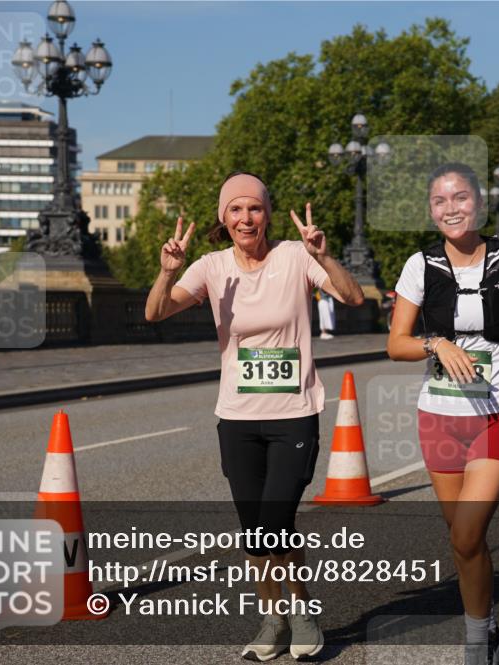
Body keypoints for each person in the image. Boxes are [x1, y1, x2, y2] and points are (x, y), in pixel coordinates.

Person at [144, 172, 364, 661]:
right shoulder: (211, 266)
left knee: (274, 519)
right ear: (224, 218)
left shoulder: (295, 256)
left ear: (267, 214)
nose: (247, 218)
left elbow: (354, 298)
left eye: (256, 209)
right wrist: (167, 271)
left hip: (294, 414)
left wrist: (324, 255)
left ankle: (301, 611)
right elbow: (155, 313)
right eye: (236, 210)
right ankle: (274, 620)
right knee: (257, 532)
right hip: (239, 418)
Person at [387, 162, 499, 665]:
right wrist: (435, 342)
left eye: (460, 198)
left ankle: (473, 641)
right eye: (440, 201)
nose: (451, 208)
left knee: (467, 532)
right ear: (431, 211)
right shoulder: (420, 265)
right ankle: (488, 627)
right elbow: (396, 343)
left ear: (480, 204)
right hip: (438, 417)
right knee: (465, 544)